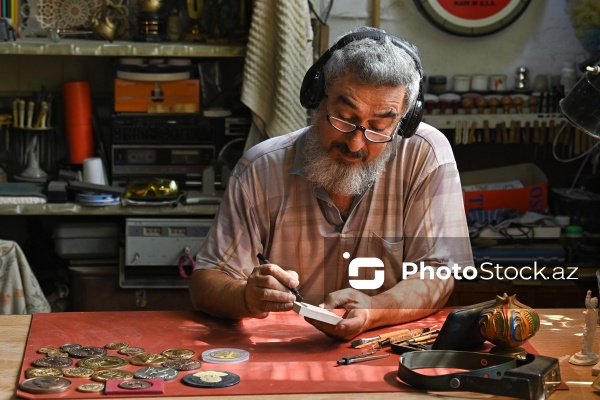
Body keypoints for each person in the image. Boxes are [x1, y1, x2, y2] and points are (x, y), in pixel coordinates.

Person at [190, 26, 473, 340]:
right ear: (316, 100)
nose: (355, 143)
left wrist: (375, 308)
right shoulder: (259, 169)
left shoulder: (426, 155)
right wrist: (244, 296)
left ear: (403, 122)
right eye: (344, 117)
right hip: (280, 351)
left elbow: (438, 273)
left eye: (379, 127)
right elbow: (207, 280)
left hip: (383, 349)